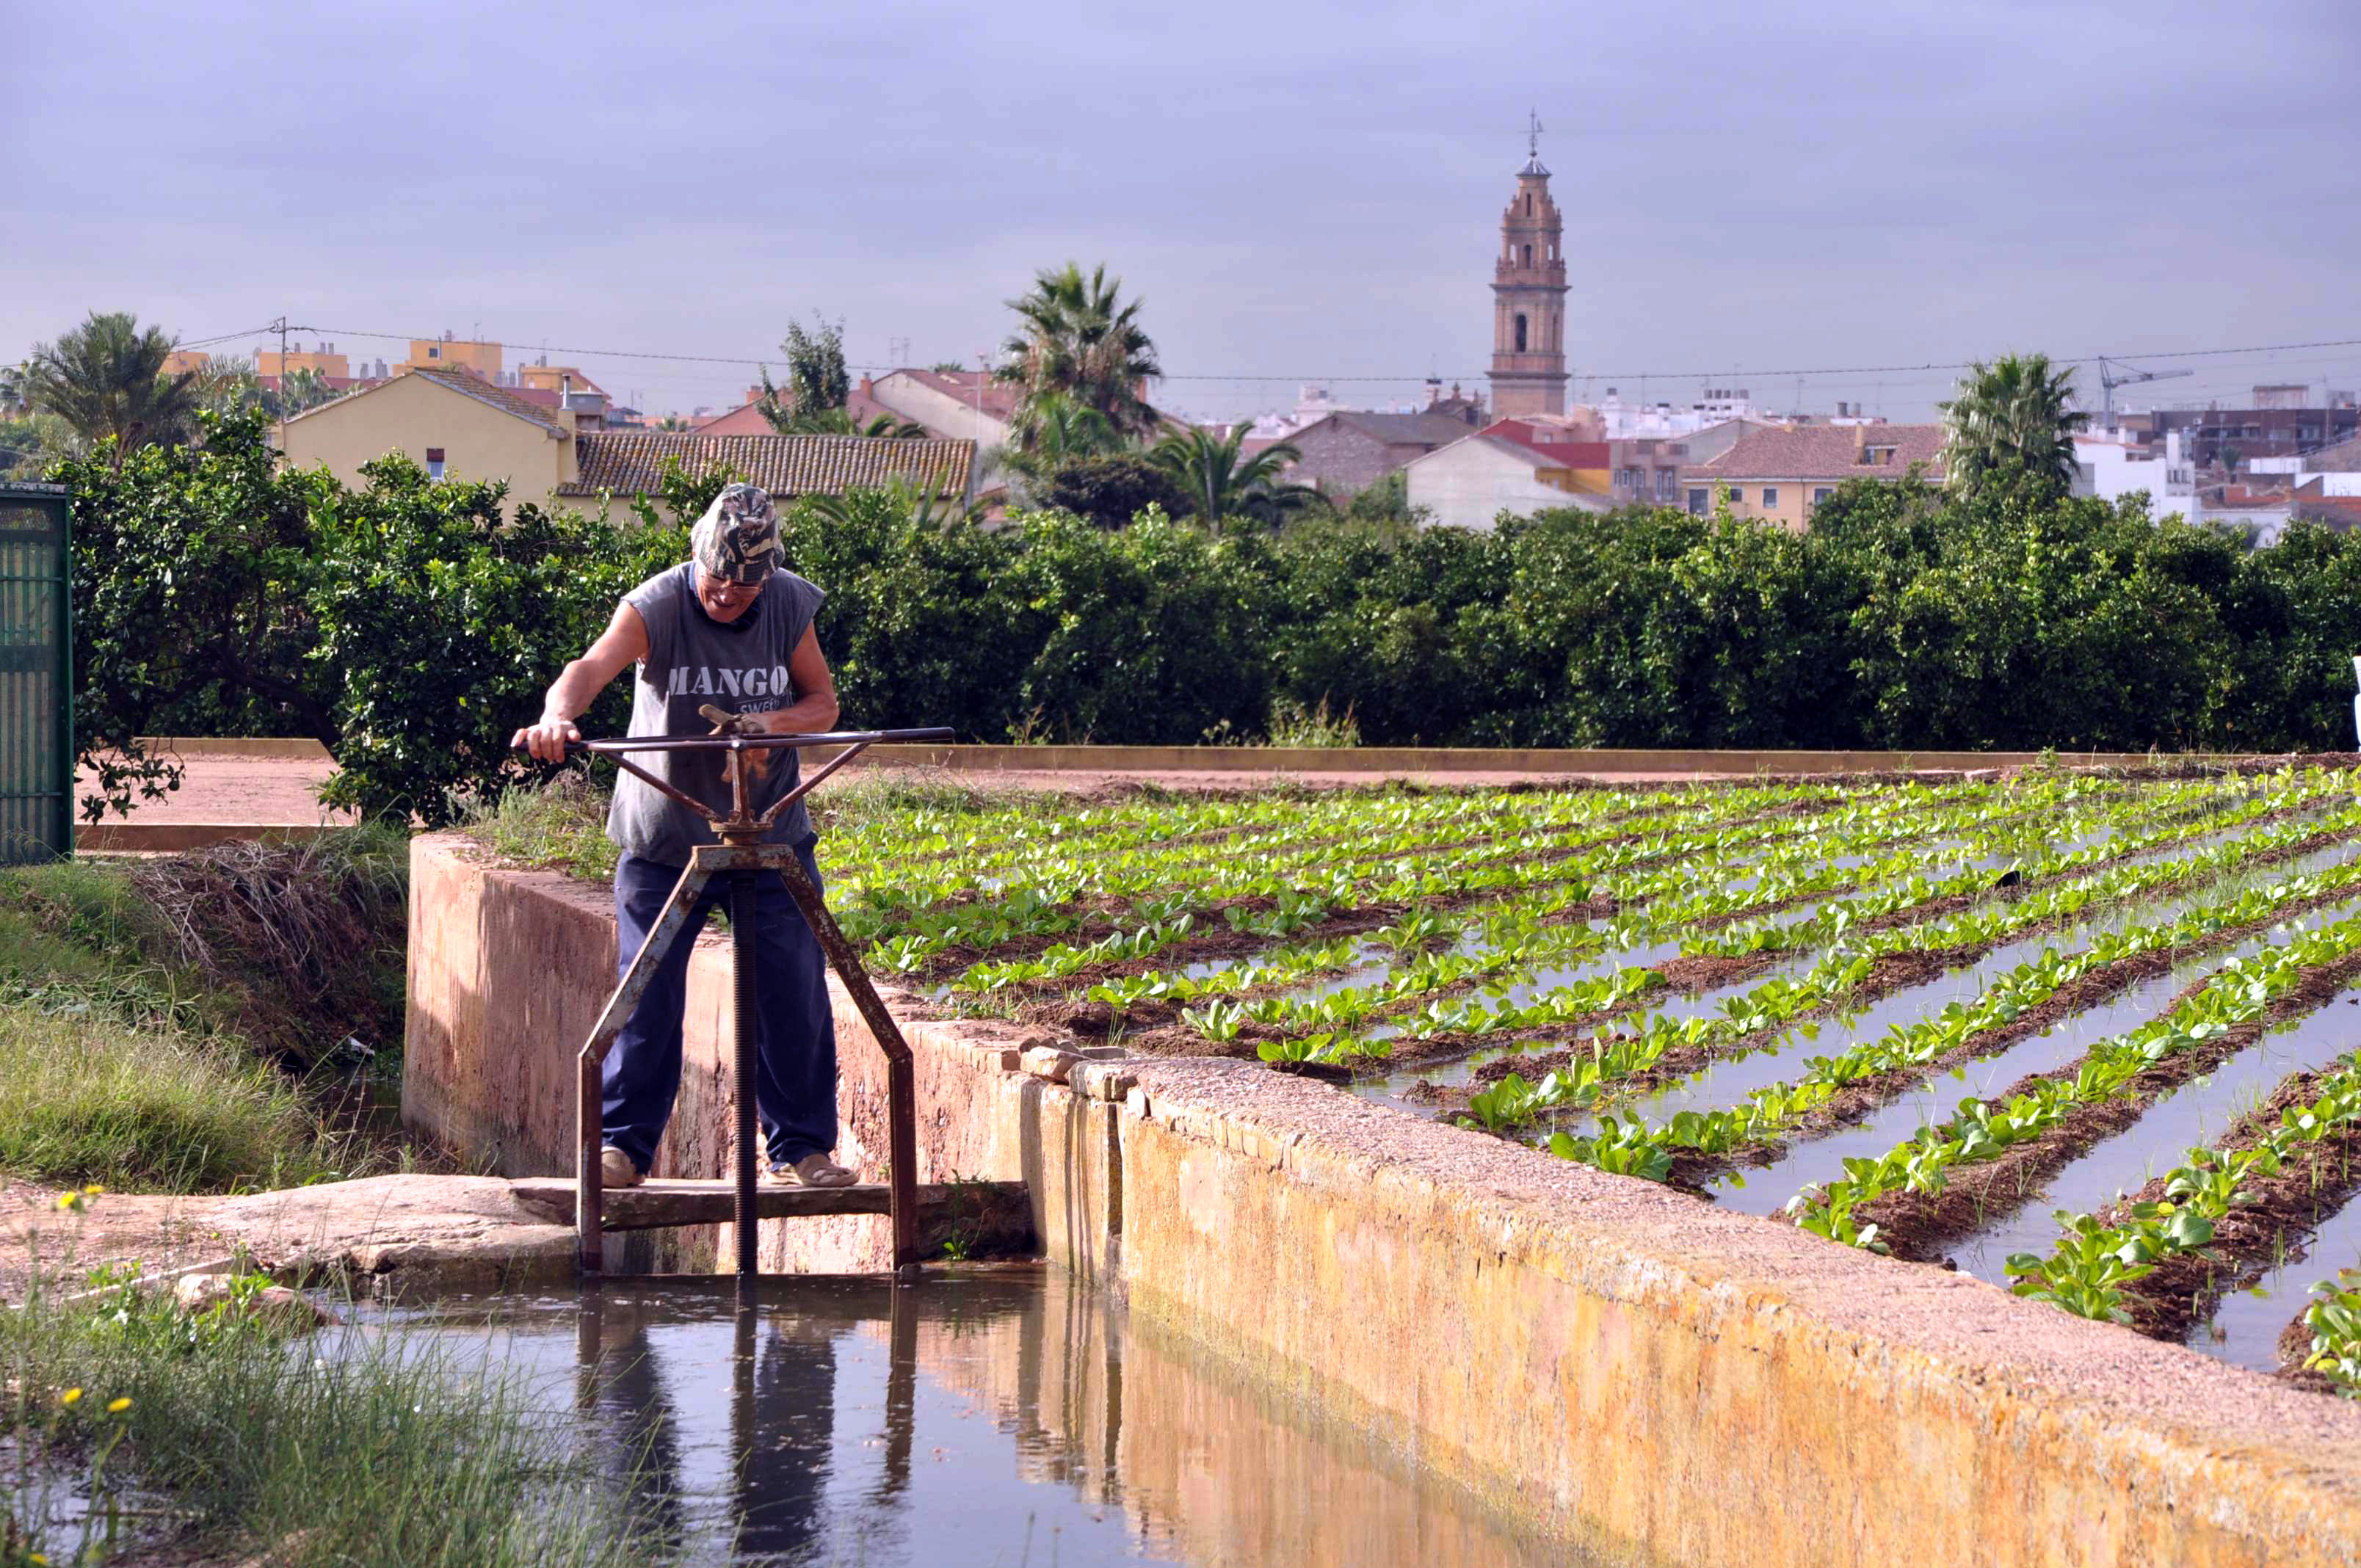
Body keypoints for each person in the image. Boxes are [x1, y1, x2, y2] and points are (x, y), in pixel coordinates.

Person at [511, 483, 853, 1191]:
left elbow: (821, 702)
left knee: (793, 988)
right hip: (666, 834)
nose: (730, 596)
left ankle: (802, 1151)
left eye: (746, 587)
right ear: (697, 559)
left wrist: (766, 725)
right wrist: (557, 716)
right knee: (648, 990)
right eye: (720, 581)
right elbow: (588, 669)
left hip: (770, 830)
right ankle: (623, 1151)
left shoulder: (790, 603)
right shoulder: (656, 605)